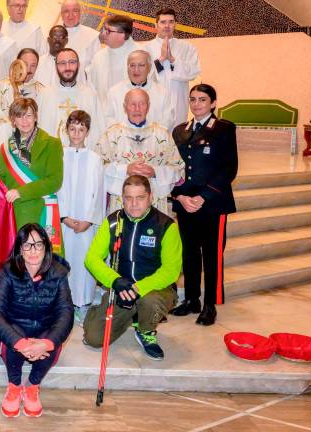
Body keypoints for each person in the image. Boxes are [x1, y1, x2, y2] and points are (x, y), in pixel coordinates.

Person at [83, 175, 182, 360]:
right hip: (122, 290)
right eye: (128, 198)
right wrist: (116, 282)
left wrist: (138, 289)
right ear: (122, 198)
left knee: (150, 302)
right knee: (94, 339)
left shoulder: (166, 226)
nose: (134, 204)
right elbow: (92, 259)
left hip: (154, 291)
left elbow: (171, 270)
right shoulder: (113, 221)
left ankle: (145, 330)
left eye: (140, 197)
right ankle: (120, 314)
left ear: (150, 197)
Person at [0, 223, 74, 417]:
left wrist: (47, 343)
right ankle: (14, 386)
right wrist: (19, 343)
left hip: (43, 331)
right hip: (15, 332)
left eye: (38, 244)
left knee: (53, 339)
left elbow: (66, 313)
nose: (33, 250)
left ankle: (32, 386)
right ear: (20, 249)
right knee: (13, 336)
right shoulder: (9, 272)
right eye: (27, 245)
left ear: (46, 246)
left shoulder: (59, 273)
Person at [170, 84, 237, 326]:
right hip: (186, 204)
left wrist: (204, 196)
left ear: (213, 103)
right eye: (193, 99)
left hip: (212, 205)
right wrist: (179, 196)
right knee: (189, 254)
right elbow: (173, 168)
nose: (196, 104)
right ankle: (191, 300)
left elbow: (229, 168)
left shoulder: (223, 129)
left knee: (211, 255)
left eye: (202, 99)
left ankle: (210, 303)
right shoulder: (180, 131)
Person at [95, 88, 184, 216]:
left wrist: (155, 172)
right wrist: (125, 169)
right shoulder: (111, 135)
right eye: (132, 104)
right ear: (125, 107)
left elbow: (178, 169)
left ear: (148, 106)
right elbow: (97, 167)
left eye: (142, 104)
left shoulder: (162, 135)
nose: (137, 109)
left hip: (155, 204)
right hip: (121, 203)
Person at [0, 98, 64, 255]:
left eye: (28, 115)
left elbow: (54, 181)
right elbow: (1, 181)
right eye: (19, 116)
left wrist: (21, 192)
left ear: (36, 117)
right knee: (19, 264)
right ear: (13, 120)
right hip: (16, 214)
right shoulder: (5, 148)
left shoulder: (52, 144)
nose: (24, 121)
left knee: (44, 265)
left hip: (41, 211)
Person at [55, 110, 104, 322]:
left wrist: (88, 219)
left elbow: (99, 191)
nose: (76, 133)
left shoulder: (95, 159)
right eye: (73, 129)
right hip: (66, 221)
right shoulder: (59, 156)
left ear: (87, 132)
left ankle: (84, 302)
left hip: (85, 222)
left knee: (85, 261)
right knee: (66, 260)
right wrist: (64, 216)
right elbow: (57, 188)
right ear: (66, 130)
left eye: (81, 129)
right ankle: (66, 302)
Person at [145, 8, 201, 126]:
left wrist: (172, 60)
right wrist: (160, 60)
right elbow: (141, 75)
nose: (167, 25)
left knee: (177, 138)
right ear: (156, 25)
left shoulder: (187, 48)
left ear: (175, 24)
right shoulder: (145, 48)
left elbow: (193, 72)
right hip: (154, 101)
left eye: (171, 22)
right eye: (163, 22)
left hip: (178, 100)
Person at [38, 48, 104, 147]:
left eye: (72, 62)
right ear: (56, 66)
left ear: (78, 65)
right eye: (62, 63)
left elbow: (99, 132)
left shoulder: (90, 95)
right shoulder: (45, 94)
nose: (67, 67)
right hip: (52, 157)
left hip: (83, 157)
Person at [104, 50, 174, 130]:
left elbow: (168, 120)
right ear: (127, 68)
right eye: (132, 65)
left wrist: (150, 137)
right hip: (122, 140)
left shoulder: (162, 92)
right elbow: (107, 119)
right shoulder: (113, 92)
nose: (136, 70)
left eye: (141, 65)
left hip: (153, 140)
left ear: (149, 68)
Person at [88, 14, 139, 104]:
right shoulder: (99, 57)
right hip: (104, 113)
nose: (103, 33)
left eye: (108, 31)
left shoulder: (141, 56)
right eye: (103, 28)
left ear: (123, 35)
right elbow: (92, 88)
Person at [0, 48, 46, 116]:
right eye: (25, 64)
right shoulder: (2, 85)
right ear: (17, 63)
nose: (28, 69)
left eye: (33, 65)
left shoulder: (41, 90)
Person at [60, 0, 100, 71]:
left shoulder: (93, 36)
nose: (71, 15)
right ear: (61, 14)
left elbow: (97, 66)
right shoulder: (53, 36)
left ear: (80, 13)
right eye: (66, 11)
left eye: (75, 11)